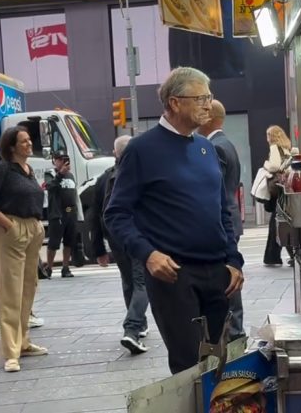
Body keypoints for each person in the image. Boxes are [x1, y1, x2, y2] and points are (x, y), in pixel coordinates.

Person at [105, 67, 245, 374]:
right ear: (174, 102)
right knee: (188, 367)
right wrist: (148, 255)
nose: (208, 104)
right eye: (200, 97)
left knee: (221, 361)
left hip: (218, 273)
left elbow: (222, 209)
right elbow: (116, 214)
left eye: (209, 97)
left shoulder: (207, 148)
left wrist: (234, 260)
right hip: (173, 275)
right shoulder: (141, 150)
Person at [0, 126, 48, 372]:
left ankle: (23, 342)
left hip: (32, 229)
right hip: (10, 229)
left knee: (27, 288)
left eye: (29, 140)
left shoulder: (27, 170)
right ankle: (11, 352)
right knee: (10, 291)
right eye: (24, 141)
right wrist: (7, 225)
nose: (29, 144)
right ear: (11, 146)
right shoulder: (1, 168)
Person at [92, 135, 150, 354]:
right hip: (137, 235)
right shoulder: (141, 174)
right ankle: (133, 328)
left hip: (115, 238)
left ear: (116, 153)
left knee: (128, 281)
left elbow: (95, 215)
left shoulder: (104, 178)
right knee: (141, 282)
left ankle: (139, 324)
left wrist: (98, 248)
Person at [197, 100, 246, 341]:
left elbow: (214, 191)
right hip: (229, 218)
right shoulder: (226, 143)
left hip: (222, 222)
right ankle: (234, 332)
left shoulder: (215, 147)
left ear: (209, 117)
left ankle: (235, 333)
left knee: (228, 280)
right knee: (230, 278)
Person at [261, 125, 292, 267]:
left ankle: (273, 256)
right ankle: (279, 255)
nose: (266, 139)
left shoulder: (274, 148)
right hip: (285, 188)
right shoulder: (287, 149)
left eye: (268, 135)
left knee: (276, 222)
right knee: (281, 220)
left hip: (276, 189)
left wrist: (265, 164)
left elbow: (273, 166)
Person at [44, 151, 77, 278]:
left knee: (69, 241)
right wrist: (60, 174)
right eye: (60, 159)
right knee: (54, 242)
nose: (63, 162)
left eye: (65, 160)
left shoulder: (71, 176)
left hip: (70, 212)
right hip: (57, 213)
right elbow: (50, 187)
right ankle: (49, 268)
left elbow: (74, 194)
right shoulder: (50, 174)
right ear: (55, 161)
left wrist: (76, 214)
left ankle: (65, 267)